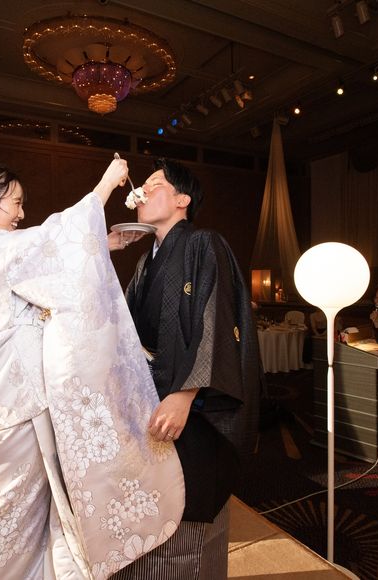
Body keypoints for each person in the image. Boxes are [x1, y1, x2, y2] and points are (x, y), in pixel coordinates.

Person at [0, 160, 184, 579]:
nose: (21, 214)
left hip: (28, 402)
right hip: (17, 406)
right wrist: (104, 185)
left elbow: (45, 258)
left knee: (46, 507)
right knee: (8, 511)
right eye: (16, 203)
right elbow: (49, 241)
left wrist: (98, 243)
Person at [110, 158, 262, 579]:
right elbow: (122, 326)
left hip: (189, 405)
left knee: (188, 505)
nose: (142, 190)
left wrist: (186, 393)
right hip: (150, 397)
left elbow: (217, 318)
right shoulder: (146, 261)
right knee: (149, 505)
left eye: (155, 184)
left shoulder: (203, 243)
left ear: (182, 200)